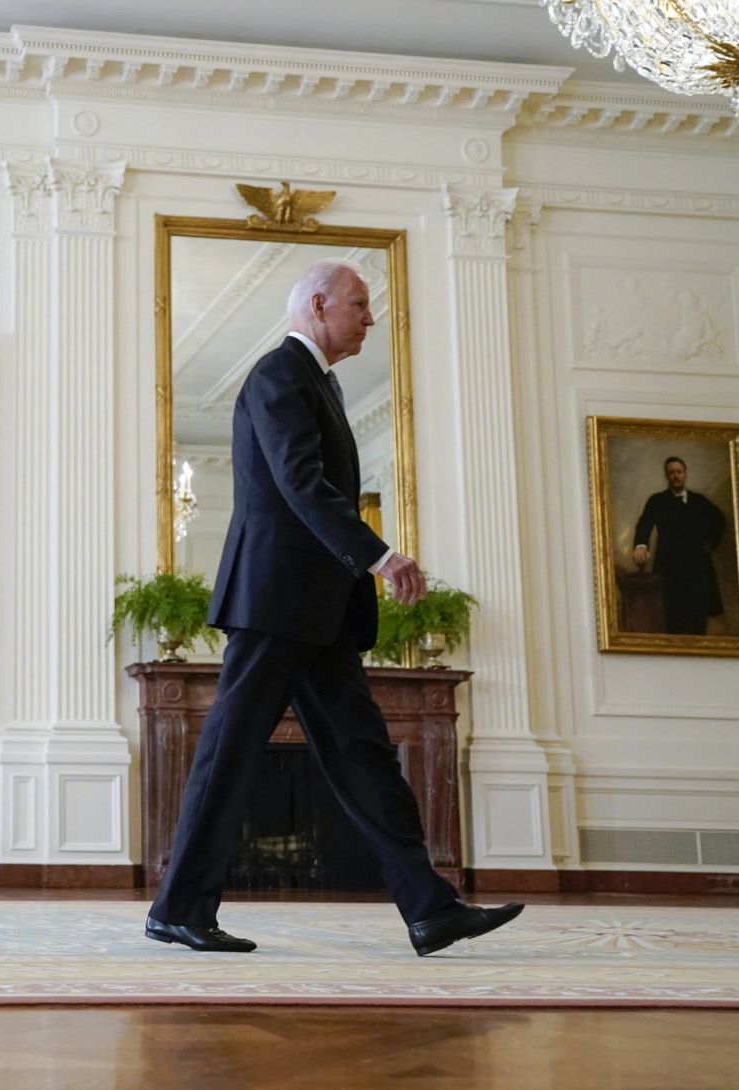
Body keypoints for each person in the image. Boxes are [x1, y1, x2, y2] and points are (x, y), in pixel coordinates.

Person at [145, 260, 523, 957]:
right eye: (359, 304)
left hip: (318, 612)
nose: (370, 318)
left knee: (364, 756)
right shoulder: (278, 374)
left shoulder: (320, 382)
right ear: (318, 305)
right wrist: (379, 556)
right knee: (229, 756)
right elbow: (301, 483)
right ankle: (178, 909)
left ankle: (431, 910)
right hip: (275, 603)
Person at [630, 456, 725, 635]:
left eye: (679, 472)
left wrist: (710, 542)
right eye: (672, 472)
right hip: (670, 568)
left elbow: (719, 520)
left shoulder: (699, 501)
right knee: (672, 617)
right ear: (667, 475)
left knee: (698, 617)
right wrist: (641, 545)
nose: (676, 476)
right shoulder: (657, 501)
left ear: (685, 474)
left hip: (697, 568)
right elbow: (644, 524)